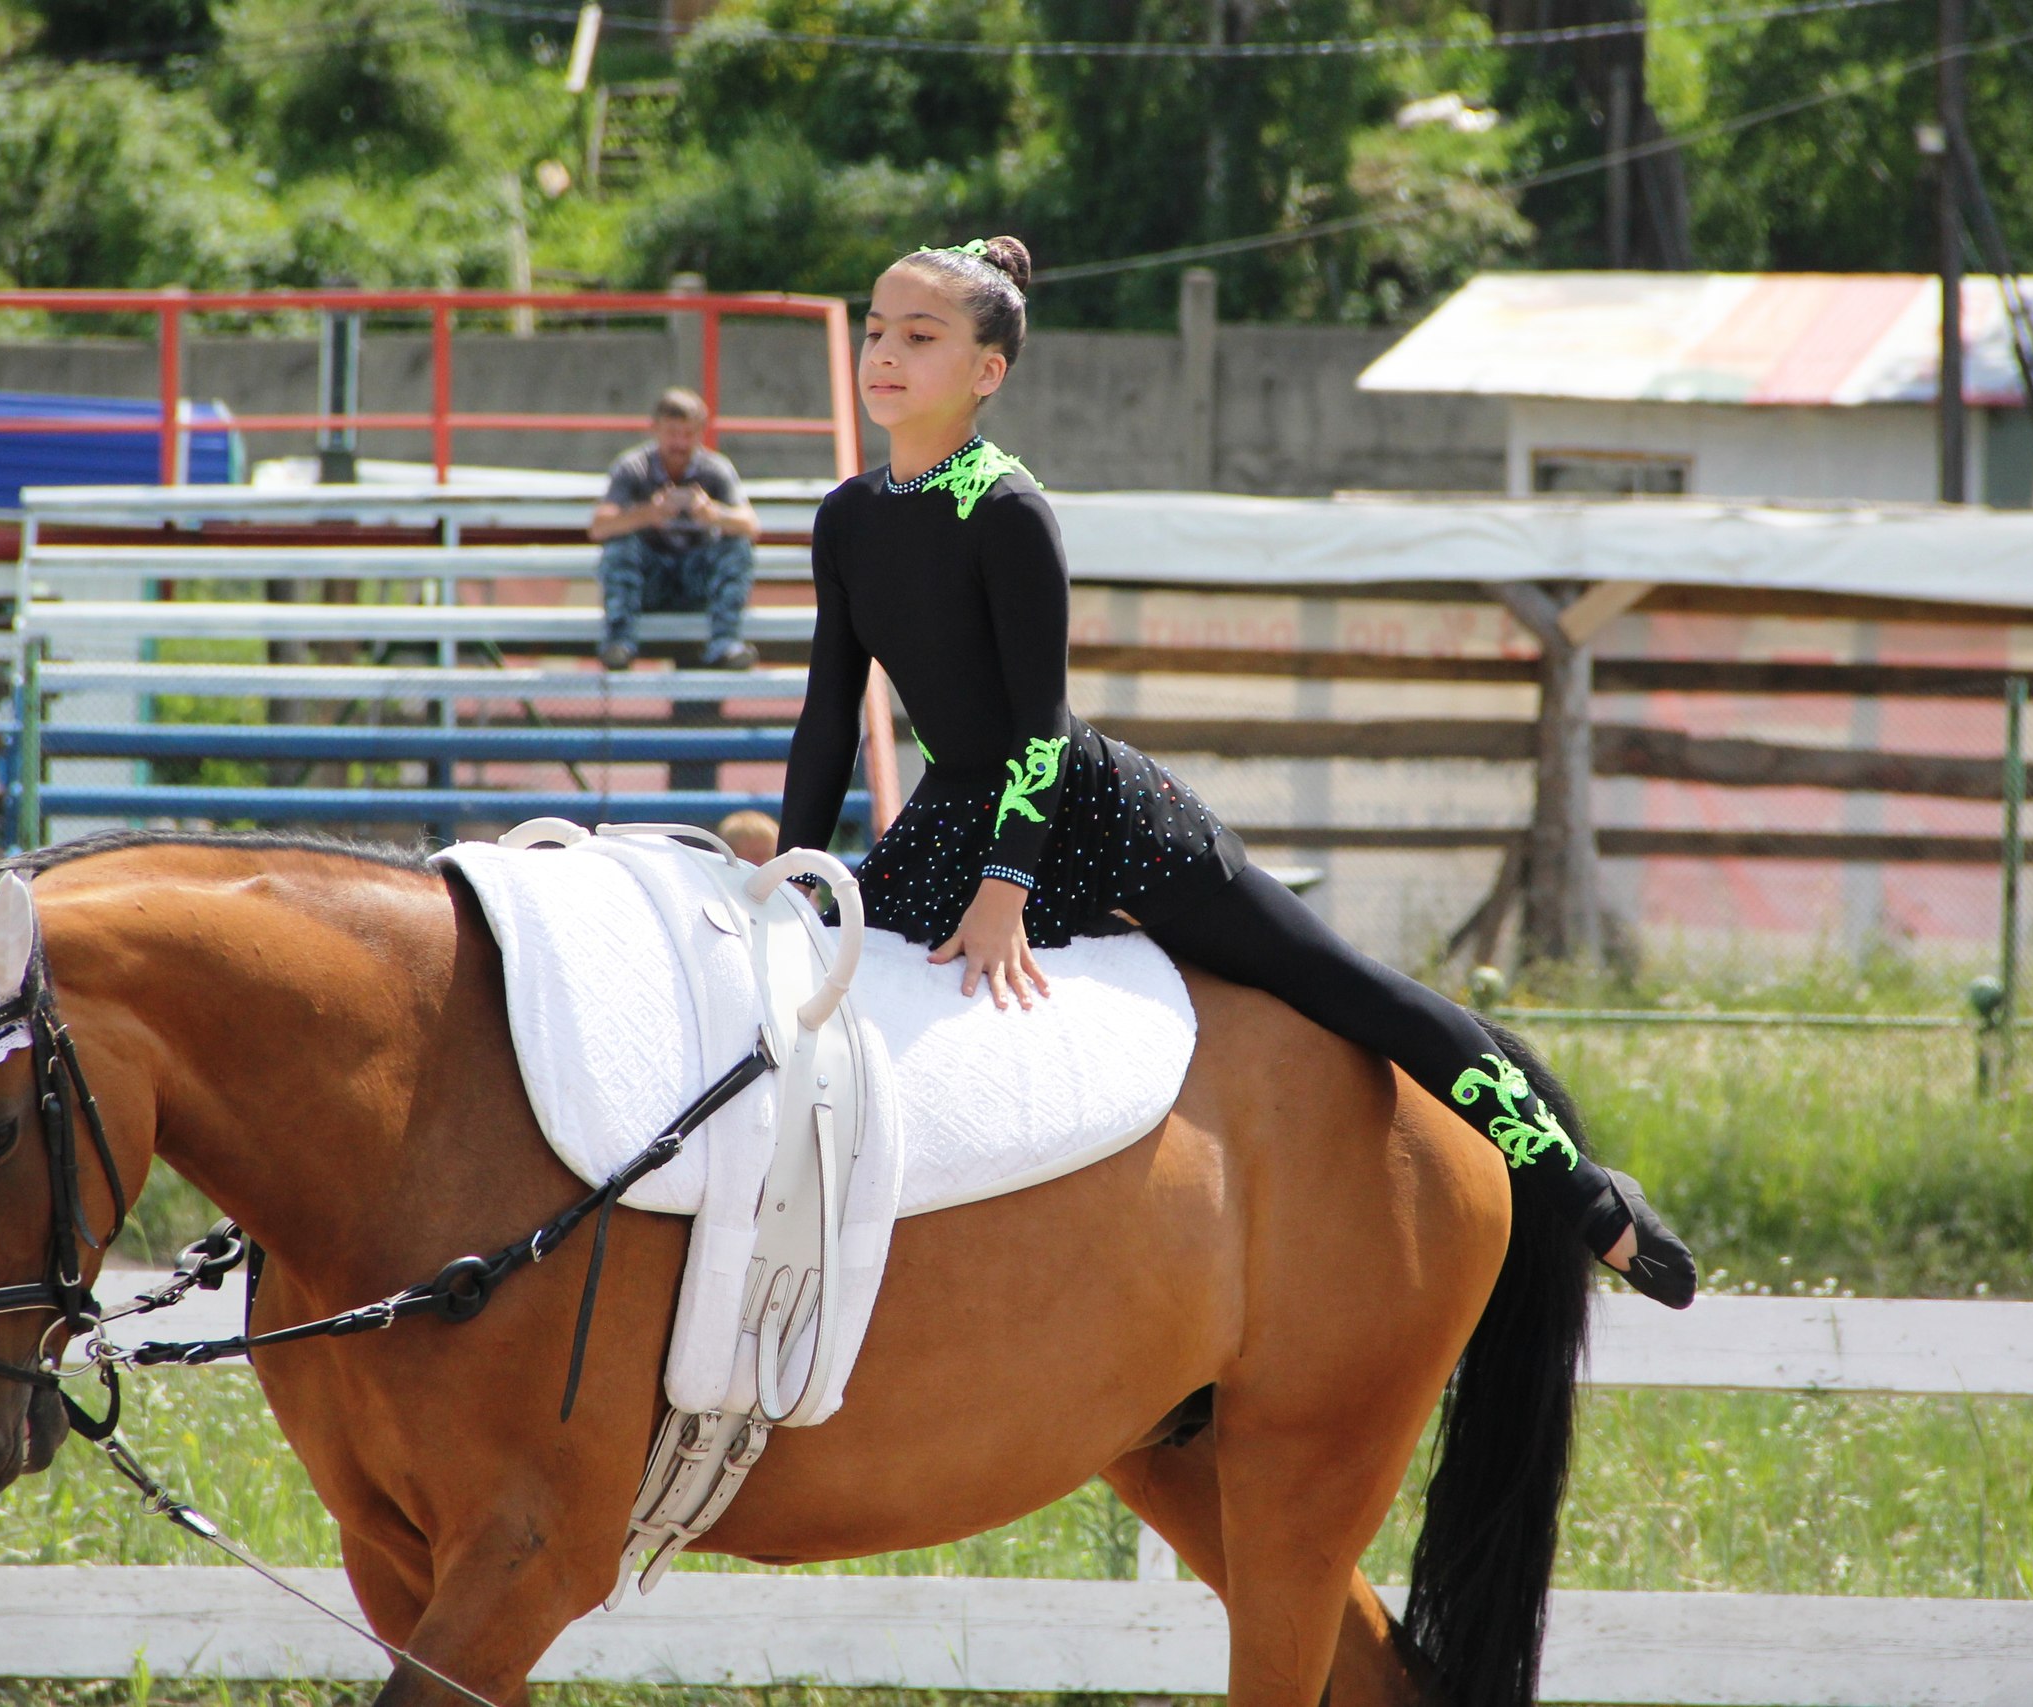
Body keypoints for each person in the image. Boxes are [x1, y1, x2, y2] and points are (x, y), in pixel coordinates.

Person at [777, 235, 1697, 1308]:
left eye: (918, 336)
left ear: (988, 371)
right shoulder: (846, 516)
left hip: (1082, 813)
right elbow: (827, 712)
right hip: (948, 814)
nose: (882, 353)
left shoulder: (1008, 507)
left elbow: (1040, 724)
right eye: (875, 330)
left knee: (1337, 985)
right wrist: (797, 865)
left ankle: (1584, 1198)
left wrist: (1004, 886)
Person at [589, 388, 762, 671]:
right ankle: (619, 642)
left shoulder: (716, 469)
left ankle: (725, 643)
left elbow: (751, 525)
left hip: (698, 581)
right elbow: (599, 526)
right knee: (619, 544)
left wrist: (713, 515)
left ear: (700, 433)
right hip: (649, 581)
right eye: (672, 433)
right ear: (655, 429)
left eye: (688, 434)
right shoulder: (633, 467)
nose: (680, 443)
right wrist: (649, 514)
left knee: (737, 546)